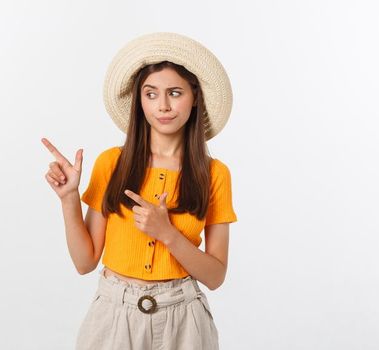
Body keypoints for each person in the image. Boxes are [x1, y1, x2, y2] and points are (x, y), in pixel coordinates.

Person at [41, 32, 238, 350]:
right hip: (114, 316)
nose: (163, 106)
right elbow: (84, 262)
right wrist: (68, 200)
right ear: (139, 99)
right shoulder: (112, 163)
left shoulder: (214, 174)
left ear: (195, 97)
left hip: (184, 321)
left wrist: (168, 234)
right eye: (150, 94)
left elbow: (215, 277)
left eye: (175, 93)